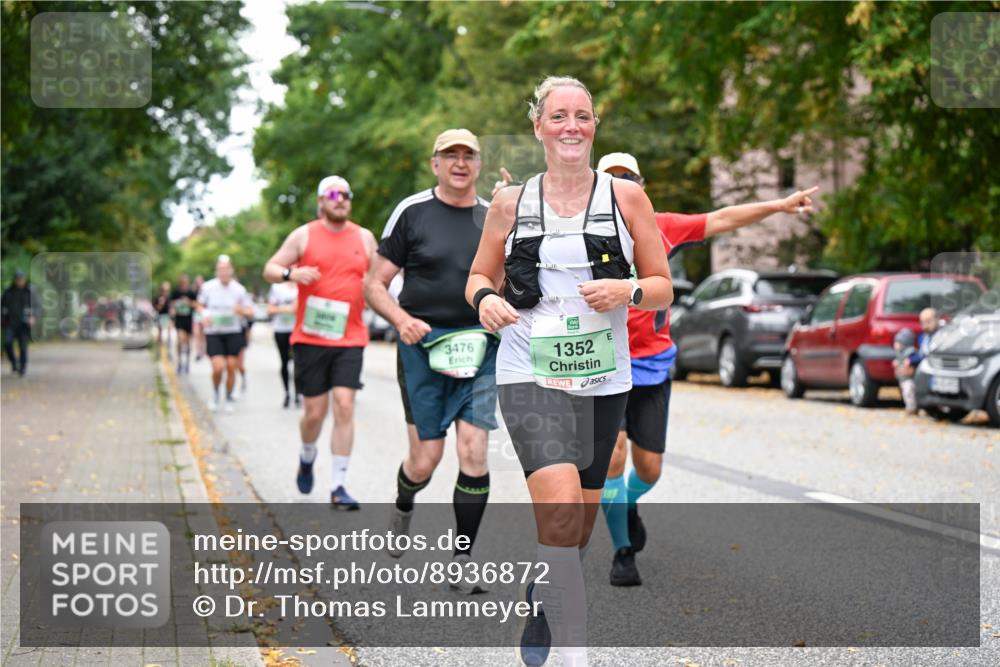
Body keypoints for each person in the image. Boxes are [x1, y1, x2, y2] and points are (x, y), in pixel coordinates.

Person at [466, 77, 673, 667]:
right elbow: (478, 277)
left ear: (594, 125)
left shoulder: (626, 198)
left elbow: (662, 286)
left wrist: (628, 290)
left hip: (603, 376)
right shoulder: (510, 203)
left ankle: (544, 594)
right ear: (539, 126)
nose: (571, 126)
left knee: (577, 527)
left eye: (582, 115)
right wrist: (485, 301)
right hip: (528, 370)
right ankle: (574, 653)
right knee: (558, 512)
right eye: (559, 116)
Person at [594, 153, 821, 586]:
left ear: (642, 186)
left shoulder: (662, 226)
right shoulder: (584, 235)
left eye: (628, 179)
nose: (621, 187)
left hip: (652, 365)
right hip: (604, 363)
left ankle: (626, 503)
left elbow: (722, 218)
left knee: (649, 470)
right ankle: (623, 552)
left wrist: (778, 205)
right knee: (613, 459)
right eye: (612, 180)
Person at [364, 128, 497, 582]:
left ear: (479, 164)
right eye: (450, 155)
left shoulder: (493, 217)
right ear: (434, 163)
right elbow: (374, 284)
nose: (460, 163)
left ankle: (462, 559)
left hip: (479, 345)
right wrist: (401, 320)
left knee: (474, 450)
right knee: (425, 460)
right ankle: (404, 503)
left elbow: (513, 276)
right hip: (422, 346)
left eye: (468, 155)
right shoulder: (412, 212)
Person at [264, 175, 376, 510]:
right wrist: (291, 274)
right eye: (332, 194)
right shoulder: (304, 235)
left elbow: (379, 277)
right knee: (314, 413)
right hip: (310, 337)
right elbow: (270, 268)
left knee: (344, 405)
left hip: (350, 337)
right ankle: (307, 454)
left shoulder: (364, 237)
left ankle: (338, 486)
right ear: (320, 201)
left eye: (346, 194)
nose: (340, 199)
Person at [197, 255, 255, 413]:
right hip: (214, 333)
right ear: (216, 270)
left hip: (233, 333)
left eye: (226, 269)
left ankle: (229, 397)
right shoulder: (208, 287)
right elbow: (200, 306)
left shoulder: (239, 289)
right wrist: (205, 315)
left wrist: (241, 310)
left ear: (231, 270)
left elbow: (250, 311)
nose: (223, 272)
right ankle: (216, 394)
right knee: (218, 367)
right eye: (220, 269)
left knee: (231, 367)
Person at [267, 277, 299, 408]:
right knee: (284, 362)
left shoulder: (302, 286)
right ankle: (287, 393)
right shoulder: (277, 287)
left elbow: (300, 308)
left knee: (298, 363)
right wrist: (290, 308)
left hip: (297, 331)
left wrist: (281, 308)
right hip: (281, 330)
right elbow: (270, 309)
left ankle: (298, 394)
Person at [2, 269, 37, 376]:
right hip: (10, 323)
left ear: (24, 279)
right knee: (7, 343)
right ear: (15, 280)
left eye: (21, 279)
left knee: (23, 346)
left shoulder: (30, 292)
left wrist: (34, 317)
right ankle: (14, 362)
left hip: (24, 324)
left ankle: (22, 368)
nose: (19, 281)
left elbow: (37, 307)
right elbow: (2, 306)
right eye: (17, 279)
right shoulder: (8, 292)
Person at [170, 273, 198, 374]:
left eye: (185, 282)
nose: (184, 284)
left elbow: (197, 305)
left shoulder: (191, 293)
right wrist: (173, 311)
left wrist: (188, 302)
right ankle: (179, 362)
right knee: (180, 339)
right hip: (179, 320)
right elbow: (171, 305)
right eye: (182, 282)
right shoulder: (176, 293)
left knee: (188, 342)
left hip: (189, 320)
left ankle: (187, 363)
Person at [892, 328, 919, 414]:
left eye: (897, 343)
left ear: (904, 343)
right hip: (902, 378)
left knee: (909, 392)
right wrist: (896, 362)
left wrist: (910, 360)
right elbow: (899, 361)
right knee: (905, 393)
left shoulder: (910, 352)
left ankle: (912, 407)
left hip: (909, 378)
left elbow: (918, 358)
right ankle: (909, 406)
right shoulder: (899, 353)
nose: (895, 345)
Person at [154, 281, 172, 358]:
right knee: (160, 334)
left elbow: (172, 309)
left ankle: (169, 352)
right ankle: (158, 351)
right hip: (161, 316)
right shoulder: (158, 298)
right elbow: (156, 309)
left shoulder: (169, 298)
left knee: (169, 334)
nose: (166, 292)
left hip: (167, 317)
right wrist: (161, 304)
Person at [192, 275, 207, 360]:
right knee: (197, 333)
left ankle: (203, 350)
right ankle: (198, 352)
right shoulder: (194, 292)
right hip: (197, 314)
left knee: (203, 334)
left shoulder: (206, 291)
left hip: (204, 314)